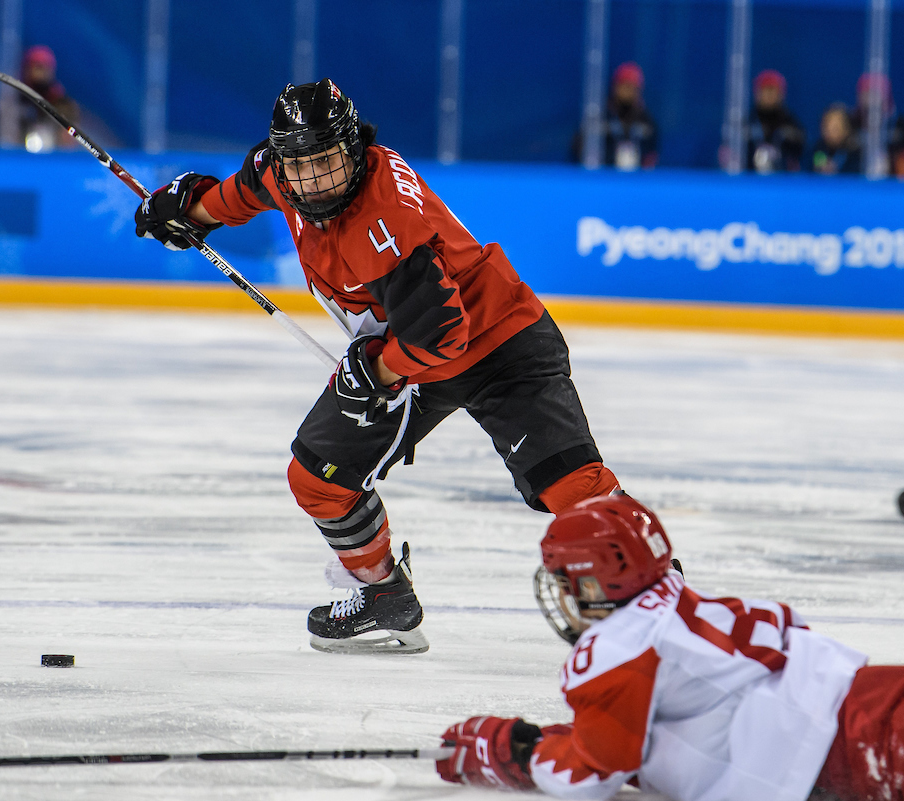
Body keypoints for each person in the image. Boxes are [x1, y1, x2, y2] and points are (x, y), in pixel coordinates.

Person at [134, 79, 620, 655]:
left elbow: (439, 333)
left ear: (354, 149)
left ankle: (652, 592)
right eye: (301, 166)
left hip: (498, 342)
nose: (314, 181)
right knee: (317, 478)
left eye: (327, 163)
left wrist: (377, 375)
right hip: (405, 349)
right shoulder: (285, 171)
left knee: (571, 488)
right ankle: (384, 594)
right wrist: (191, 210)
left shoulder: (381, 220)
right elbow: (244, 191)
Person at [436, 495, 904, 800]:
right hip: (893, 701)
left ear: (593, 583)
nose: (563, 593)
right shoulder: (676, 603)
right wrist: (552, 735)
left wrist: (522, 757)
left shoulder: (618, 648)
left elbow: (590, 776)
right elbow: (667, 730)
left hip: (874, 748)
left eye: (568, 579)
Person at [570, 62, 659, 171]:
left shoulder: (645, 120)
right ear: (615, 86)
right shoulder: (602, 116)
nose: (627, 91)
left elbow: (652, 154)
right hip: (603, 177)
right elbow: (578, 147)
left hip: (635, 180)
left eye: (631, 87)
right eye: (623, 86)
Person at [0, 45, 79, 151]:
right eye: (38, 67)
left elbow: (68, 144)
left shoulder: (63, 106)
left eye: (46, 67)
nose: (42, 73)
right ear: (26, 69)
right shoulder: (11, 104)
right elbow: (4, 142)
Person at [850, 73, 904, 179]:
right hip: (857, 184)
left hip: (894, 185)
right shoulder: (852, 124)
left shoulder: (902, 126)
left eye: (875, 93)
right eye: (866, 93)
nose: (871, 99)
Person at [745, 69, 804, 173]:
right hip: (749, 181)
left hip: (782, 183)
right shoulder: (747, 123)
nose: (769, 95)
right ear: (757, 93)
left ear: (781, 94)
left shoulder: (791, 125)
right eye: (765, 90)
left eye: (772, 90)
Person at [811, 104, 861, 176]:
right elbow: (807, 168)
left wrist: (836, 170)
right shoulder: (819, 148)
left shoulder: (854, 152)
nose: (829, 132)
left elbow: (855, 174)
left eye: (835, 128)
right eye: (826, 127)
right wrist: (818, 168)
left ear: (847, 129)